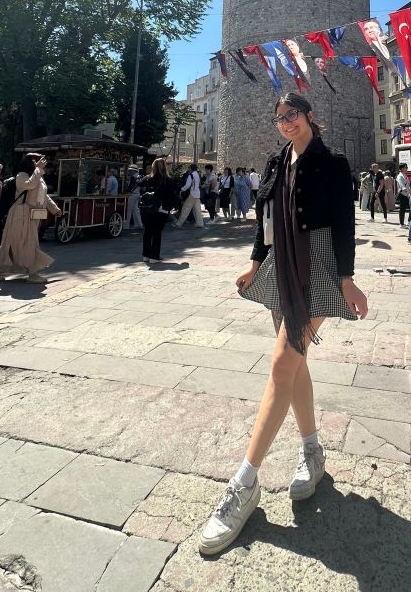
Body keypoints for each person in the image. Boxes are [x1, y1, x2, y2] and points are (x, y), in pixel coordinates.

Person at [198, 93, 368, 555]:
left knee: (280, 364)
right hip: (281, 264)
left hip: (316, 267)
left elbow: (345, 223)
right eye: (279, 118)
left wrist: (347, 280)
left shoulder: (332, 162)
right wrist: (255, 263)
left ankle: (246, 482)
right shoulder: (276, 162)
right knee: (296, 367)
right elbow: (264, 219)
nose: (285, 123)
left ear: (310, 116)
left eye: (292, 115)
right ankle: (313, 452)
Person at [0, 153, 62, 283]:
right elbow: (29, 185)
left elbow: (44, 195)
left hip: (31, 214)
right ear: (31, 162)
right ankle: (33, 274)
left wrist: (54, 209)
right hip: (20, 214)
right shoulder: (22, 175)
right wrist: (38, 170)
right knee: (25, 243)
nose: (43, 164)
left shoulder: (37, 176)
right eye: (39, 161)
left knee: (21, 243)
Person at [140, 158, 177, 264]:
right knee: (157, 232)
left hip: (148, 208)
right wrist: (173, 206)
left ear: (153, 166)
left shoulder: (147, 178)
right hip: (161, 208)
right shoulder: (168, 180)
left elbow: (139, 184)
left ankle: (146, 255)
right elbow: (172, 195)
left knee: (147, 232)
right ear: (165, 167)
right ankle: (154, 256)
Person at [174, 164, 204, 229]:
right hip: (197, 194)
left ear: (191, 169)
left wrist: (181, 189)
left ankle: (178, 224)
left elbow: (188, 185)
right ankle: (200, 223)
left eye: (189, 169)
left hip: (192, 194)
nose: (188, 170)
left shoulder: (191, 175)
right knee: (197, 210)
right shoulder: (198, 175)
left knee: (185, 208)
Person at [125, 165, 144, 231]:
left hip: (132, 195)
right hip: (137, 194)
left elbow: (131, 186)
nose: (129, 172)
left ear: (134, 171)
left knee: (128, 210)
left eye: (130, 170)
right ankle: (139, 224)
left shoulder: (133, 177)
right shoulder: (139, 176)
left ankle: (126, 225)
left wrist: (126, 191)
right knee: (136, 210)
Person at [396, 163, 411, 227]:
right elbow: (402, 186)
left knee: (410, 208)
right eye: (406, 167)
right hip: (403, 194)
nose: (407, 168)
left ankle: (408, 222)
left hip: (406, 194)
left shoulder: (404, 176)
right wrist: (408, 194)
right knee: (403, 209)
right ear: (402, 169)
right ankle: (401, 223)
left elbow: (408, 185)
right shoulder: (400, 176)